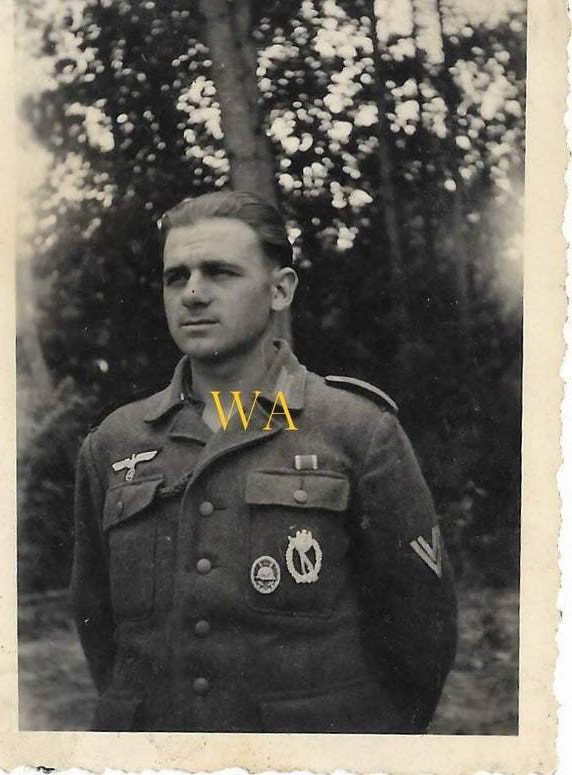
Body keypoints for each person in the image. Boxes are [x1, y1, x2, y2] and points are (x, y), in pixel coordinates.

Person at [71, 189, 458, 733]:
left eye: (220, 272)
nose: (194, 294)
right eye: (175, 277)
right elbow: (99, 625)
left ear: (280, 290)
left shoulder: (355, 429)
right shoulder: (115, 442)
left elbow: (423, 629)